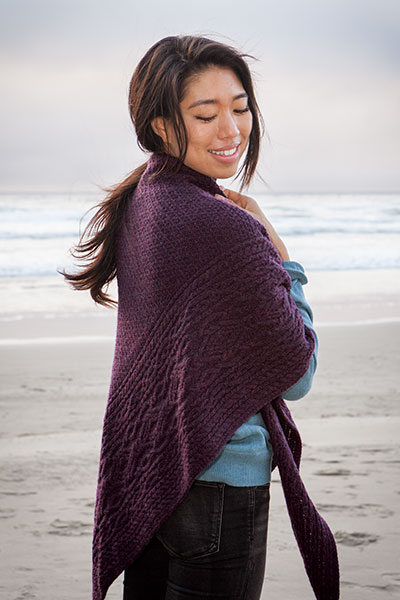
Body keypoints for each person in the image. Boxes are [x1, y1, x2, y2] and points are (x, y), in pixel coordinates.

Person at [63, 35, 339, 600]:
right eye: (206, 115)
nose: (232, 130)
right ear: (163, 125)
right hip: (219, 491)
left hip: (155, 483)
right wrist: (282, 253)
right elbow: (299, 371)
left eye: (240, 109)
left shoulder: (147, 201)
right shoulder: (223, 227)